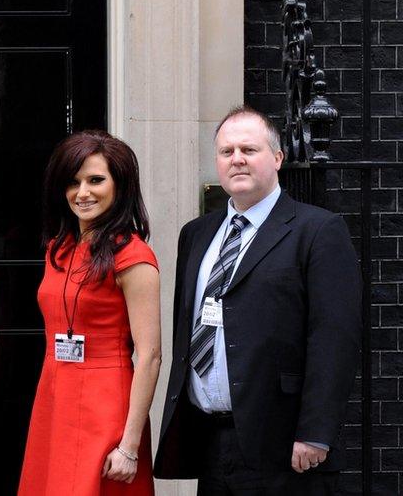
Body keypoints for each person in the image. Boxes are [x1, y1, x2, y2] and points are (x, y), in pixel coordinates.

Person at [154, 106, 362, 494]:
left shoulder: (317, 230)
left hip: (282, 446)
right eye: (226, 151)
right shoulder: (196, 235)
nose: (237, 159)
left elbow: (335, 339)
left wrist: (316, 432)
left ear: (278, 158)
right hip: (210, 441)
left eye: (249, 150)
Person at [17, 131, 162, 496]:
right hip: (55, 394)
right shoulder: (59, 248)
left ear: (120, 185)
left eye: (96, 180)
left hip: (106, 401)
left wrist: (130, 445)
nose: (82, 193)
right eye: (73, 182)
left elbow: (150, 355)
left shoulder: (133, 256)